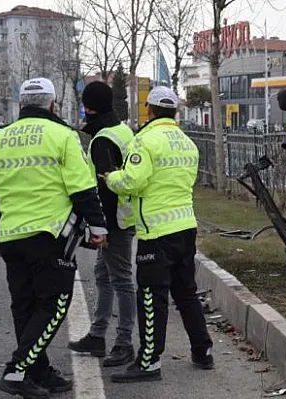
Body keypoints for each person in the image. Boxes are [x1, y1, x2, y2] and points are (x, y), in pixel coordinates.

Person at [0, 77, 107, 397]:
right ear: (53, 104)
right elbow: (83, 188)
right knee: (55, 303)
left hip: (12, 235)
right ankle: (17, 371)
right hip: (49, 233)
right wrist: (98, 227)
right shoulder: (64, 136)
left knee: (25, 307)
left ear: (21, 105)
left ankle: (38, 370)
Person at [104, 86, 213, 383]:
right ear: (175, 112)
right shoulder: (188, 143)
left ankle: (149, 361)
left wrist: (111, 177)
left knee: (152, 297)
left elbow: (132, 181)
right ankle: (203, 351)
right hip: (185, 227)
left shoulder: (144, 141)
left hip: (156, 232)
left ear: (149, 110)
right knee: (186, 292)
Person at [67, 81, 137, 367]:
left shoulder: (102, 140)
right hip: (126, 214)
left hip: (115, 221)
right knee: (103, 276)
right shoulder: (122, 130)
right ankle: (97, 335)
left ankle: (124, 343)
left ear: (88, 106)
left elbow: (106, 187)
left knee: (121, 281)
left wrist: (101, 229)